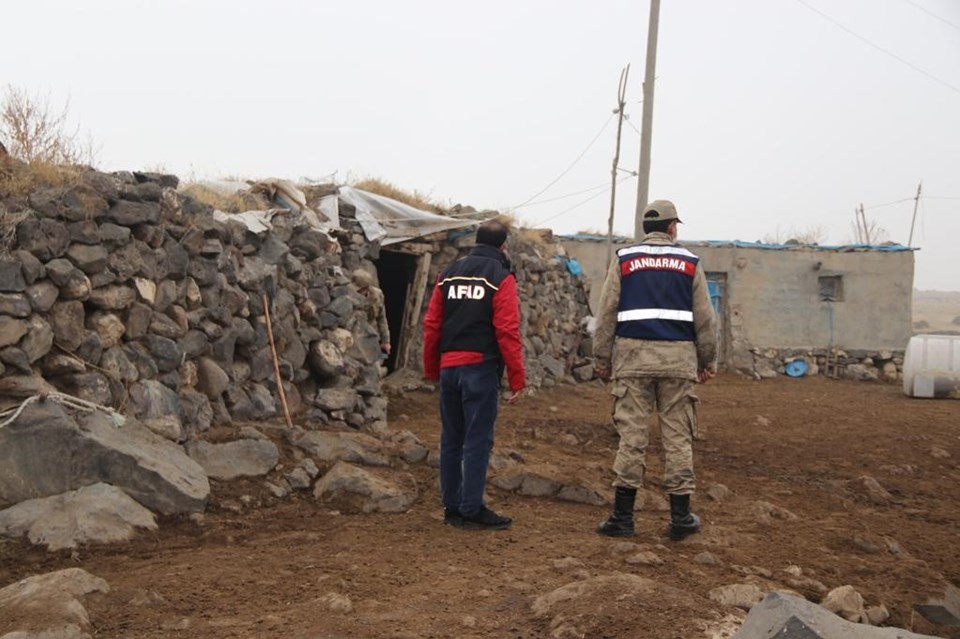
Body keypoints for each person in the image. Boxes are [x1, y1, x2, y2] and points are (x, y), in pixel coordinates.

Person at [592, 199, 718, 540]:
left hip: (632, 361)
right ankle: (680, 518)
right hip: (678, 363)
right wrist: (708, 361)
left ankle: (622, 517)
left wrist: (602, 358)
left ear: (646, 228)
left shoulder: (625, 260)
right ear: (672, 227)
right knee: (677, 438)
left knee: (631, 437)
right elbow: (706, 319)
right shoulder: (691, 263)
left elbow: (607, 312)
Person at [422, 220, 525, 531]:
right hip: (480, 368)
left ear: (475, 241)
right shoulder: (501, 277)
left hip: (449, 368)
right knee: (477, 441)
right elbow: (507, 330)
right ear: (503, 247)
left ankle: (452, 508)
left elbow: (432, 325)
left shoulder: (448, 274)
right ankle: (472, 509)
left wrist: (431, 369)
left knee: (451, 440)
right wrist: (517, 378)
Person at [352, 269, 391, 356]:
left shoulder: (377, 296)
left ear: (366, 289)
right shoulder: (347, 293)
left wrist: (385, 341)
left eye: (359, 290)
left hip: (369, 335)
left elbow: (382, 319)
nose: (356, 293)